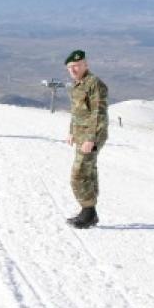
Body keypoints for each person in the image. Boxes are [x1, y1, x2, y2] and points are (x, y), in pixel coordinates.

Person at [64, 50, 108, 229]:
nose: (73, 69)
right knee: (88, 172)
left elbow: (98, 113)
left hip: (92, 136)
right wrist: (71, 132)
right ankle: (88, 212)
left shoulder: (93, 83)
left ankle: (88, 211)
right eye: (70, 67)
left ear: (85, 65)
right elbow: (77, 112)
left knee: (78, 175)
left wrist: (91, 139)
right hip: (81, 135)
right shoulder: (77, 85)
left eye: (77, 65)